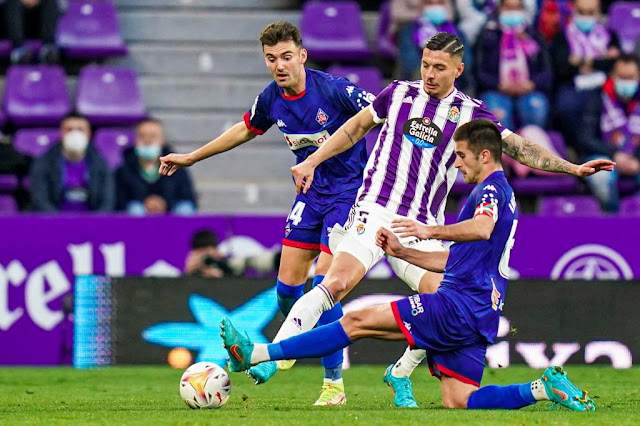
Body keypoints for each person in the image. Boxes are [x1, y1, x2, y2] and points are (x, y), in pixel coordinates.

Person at [237, 32, 613, 408]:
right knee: (335, 282)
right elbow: (354, 129)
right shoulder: (397, 93)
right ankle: (272, 357)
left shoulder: (471, 113)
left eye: (439, 68)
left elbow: (518, 147)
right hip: (374, 210)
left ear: (459, 70)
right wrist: (312, 160)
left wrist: (571, 168)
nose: (430, 74)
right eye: (426, 65)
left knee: (444, 302)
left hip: (422, 224)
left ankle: (399, 371)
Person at [158, 21, 381, 406]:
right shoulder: (271, 98)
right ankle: (290, 346)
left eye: (286, 57)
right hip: (310, 197)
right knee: (286, 293)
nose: (280, 65)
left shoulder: (333, 88)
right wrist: (192, 157)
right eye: (271, 58)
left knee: (322, 290)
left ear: (302, 56)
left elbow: (382, 112)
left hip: (349, 196)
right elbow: (245, 129)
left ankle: (333, 385)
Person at [551, 0, 620, 149]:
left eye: (590, 13)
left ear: (598, 12)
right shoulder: (562, 36)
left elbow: (615, 66)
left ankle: (612, 151)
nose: (586, 17)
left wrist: (581, 61)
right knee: (565, 106)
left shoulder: (610, 35)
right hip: (574, 86)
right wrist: (600, 59)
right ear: (574, 10)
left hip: (604, 86)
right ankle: (574, 150)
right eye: (582, 12)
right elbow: (563, 69)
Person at [475, 0, 553, 130]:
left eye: (517, 8)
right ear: (500, 9)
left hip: (529, 91)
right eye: (508, 8)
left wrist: (531, 85)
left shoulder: (533, 35)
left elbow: (547, 71)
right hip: (496, 90)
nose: (512, 12)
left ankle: (531, 148)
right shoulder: (488, 34)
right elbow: (478, 72)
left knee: (536, 110)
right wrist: (499, 85)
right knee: (499, 118)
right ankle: (506, 150)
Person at [577, 54, 640, 212]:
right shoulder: (597, 98)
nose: (626, 82)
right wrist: (615, 154)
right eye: (622, 77)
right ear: (613, 76)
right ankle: (613, 219)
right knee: (600, 176)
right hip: (604, 156)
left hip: (636, 158)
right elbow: (585, 137)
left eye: (630, 77)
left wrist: (636, 159)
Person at [29, 113, 114, 212]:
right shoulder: (44, 162)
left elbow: (107, 202)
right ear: (61, 133)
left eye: (80, 130)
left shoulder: (101, 163)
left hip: (91, 223)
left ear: (89, 134)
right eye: (69, 130)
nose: (75, 134)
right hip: (55, 222)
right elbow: (41, 200)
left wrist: (94, 223)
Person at [116, 119, 197, 216]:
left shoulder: (177, 168)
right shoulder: (123, 170)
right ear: (135, 140)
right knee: (135, 210)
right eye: (142, 136)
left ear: (163, 141)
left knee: (185, 209)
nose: (147, 141)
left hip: (170, 214)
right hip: (137, 218)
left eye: (153, 136)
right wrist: (145, 204)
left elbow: (188, 197)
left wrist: (165, 204)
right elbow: (118, 202)